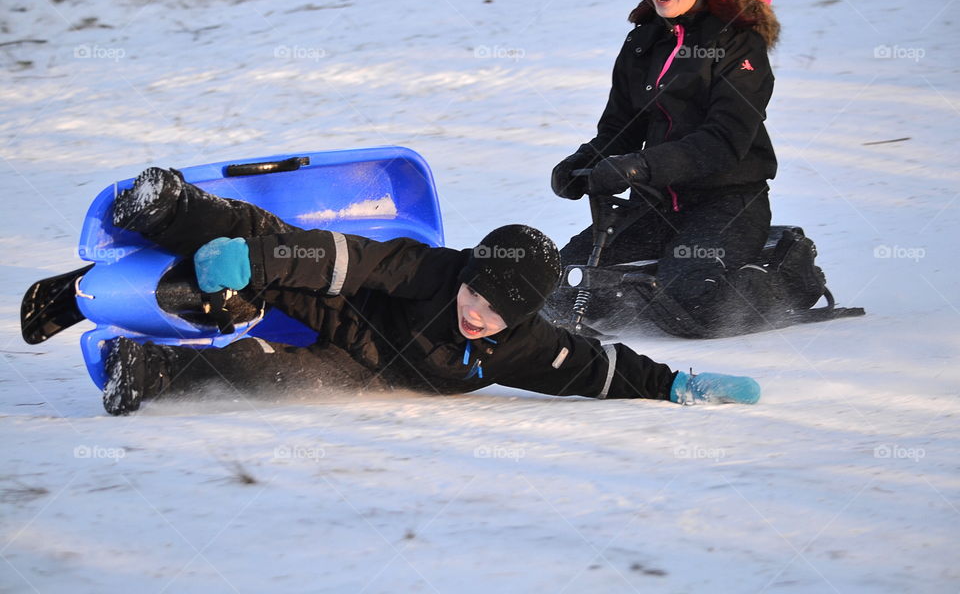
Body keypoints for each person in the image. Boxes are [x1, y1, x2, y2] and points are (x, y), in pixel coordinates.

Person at [99, 167, 761, 415]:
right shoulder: (430, 270)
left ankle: (149, 369)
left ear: (522, 320)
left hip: (360, 367)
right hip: (343, 306)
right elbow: (339, 258)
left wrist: (675, 385)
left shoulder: (522, 346)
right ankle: (167, 208)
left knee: (268, 374)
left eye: (498, 314)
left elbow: (596, 368)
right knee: (271, 235)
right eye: (477, 295)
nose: (478, 315)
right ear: (467, 271)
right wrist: (256, 258)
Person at [549, 0, 823, 333]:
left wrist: (641, 166)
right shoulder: (644, 40)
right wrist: (582, 163)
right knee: (559, 282)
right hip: (656, 204)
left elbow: (724, 140)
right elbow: (620, 126)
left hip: (727, 203)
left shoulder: (739, 43)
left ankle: (787, 273)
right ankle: (660, 277)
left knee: (694, 304)